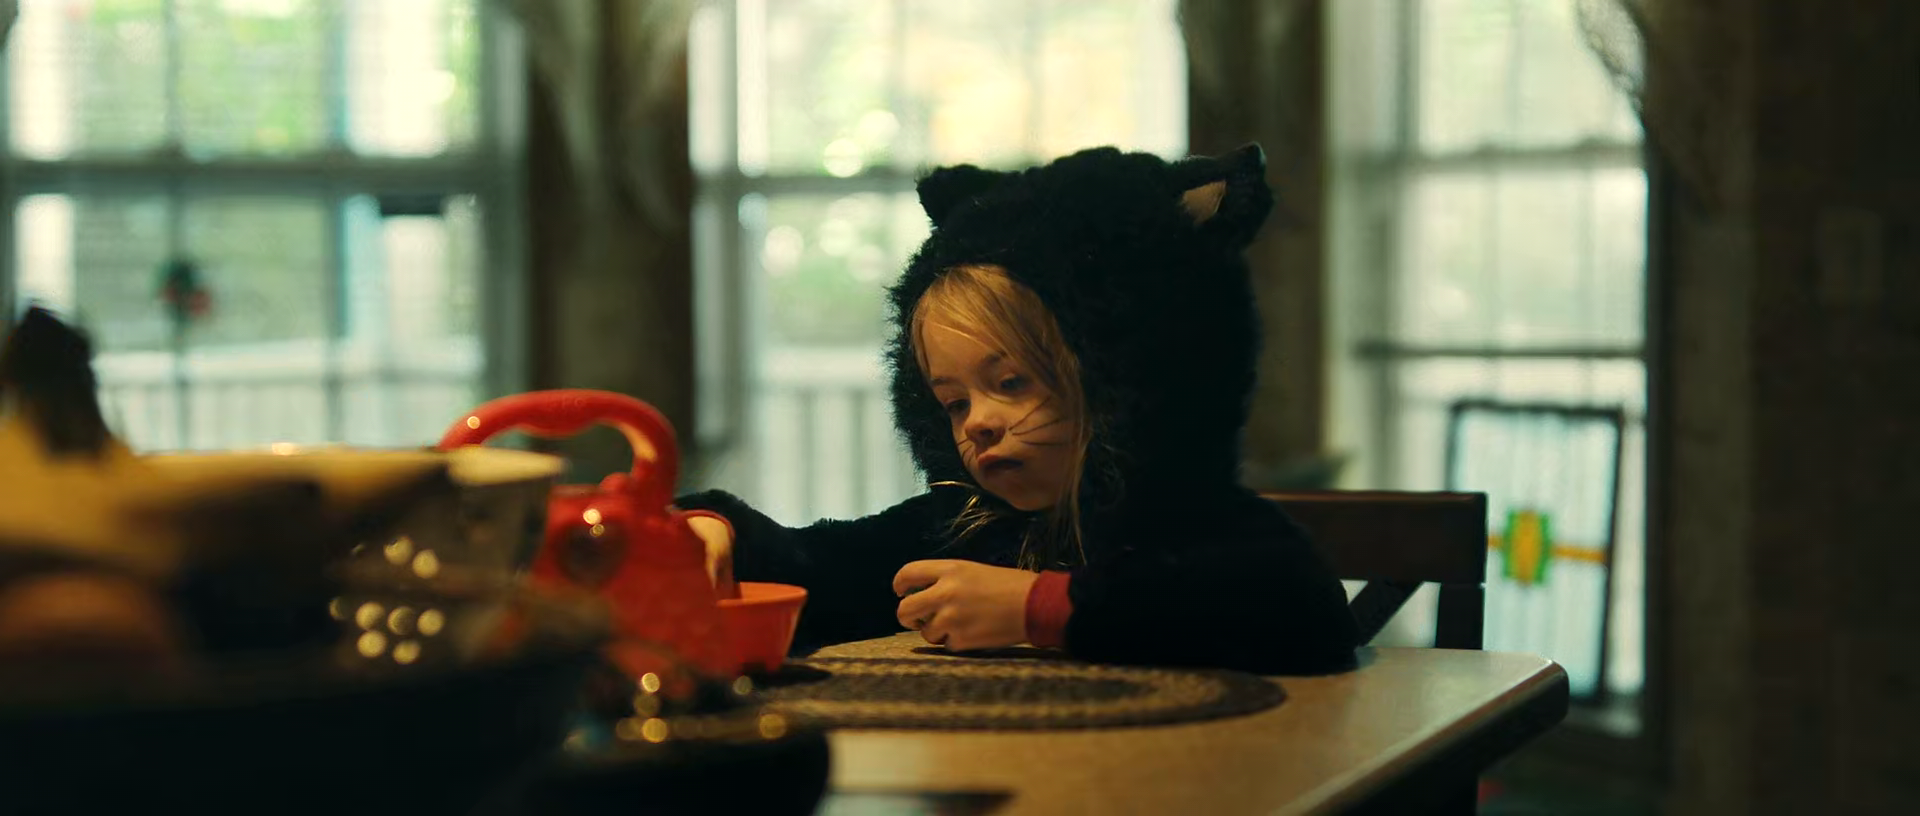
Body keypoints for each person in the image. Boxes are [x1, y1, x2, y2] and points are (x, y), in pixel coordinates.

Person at [676, 144, 1360, 676]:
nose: (976, 422)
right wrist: (715, 534)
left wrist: (1037, 607)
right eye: (952, 402)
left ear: (1124, 376)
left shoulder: (1194, 523)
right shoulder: (965, 526)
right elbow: (821, 567)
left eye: (1011, 382)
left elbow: (1301, 609)